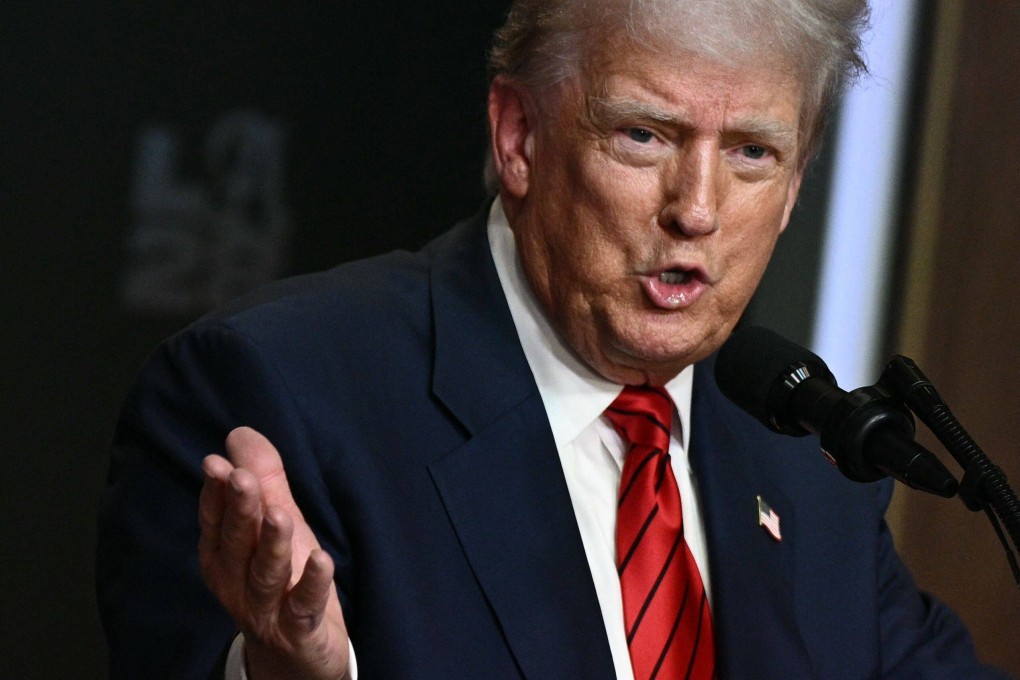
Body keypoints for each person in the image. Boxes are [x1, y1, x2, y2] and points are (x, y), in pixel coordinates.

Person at [97, 0, 1013, 678]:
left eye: (751, 154)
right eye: (644, 136)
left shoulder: (811, 468)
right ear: (519, 137)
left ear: (798, 183)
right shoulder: (278, 396)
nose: (695, 209)